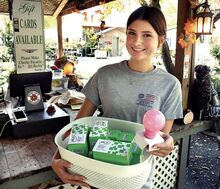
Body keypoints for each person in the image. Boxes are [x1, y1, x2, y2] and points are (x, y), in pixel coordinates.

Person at [51, 6, 183, 189]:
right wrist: (56, 159)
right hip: (96, 173)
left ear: (160, 41)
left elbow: (161, 138)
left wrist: (165, 145)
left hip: (136, 179)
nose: (137, 41)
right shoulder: (104, 75)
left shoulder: (170, 85)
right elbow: (79, 124)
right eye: (131, 33)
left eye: (147, 35)